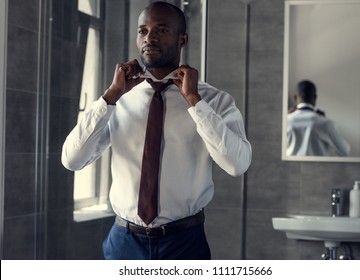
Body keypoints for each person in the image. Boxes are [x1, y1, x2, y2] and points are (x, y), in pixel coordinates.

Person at [61, 2, 251, 260]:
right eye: (143, 31)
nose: (149, 37)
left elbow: (237, 164)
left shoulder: (215, 101)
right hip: (123, 242)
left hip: (185, 244)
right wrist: (110, 97)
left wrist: (195, 101)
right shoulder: (119, 99)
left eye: (161, 30)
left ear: (182, 39)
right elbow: (72, 159)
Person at [287, 80, 350, 156]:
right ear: (315, 98)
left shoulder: (285, 121)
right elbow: (345, 151)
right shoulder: (326, 123)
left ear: (295, 97)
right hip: (318, 168)